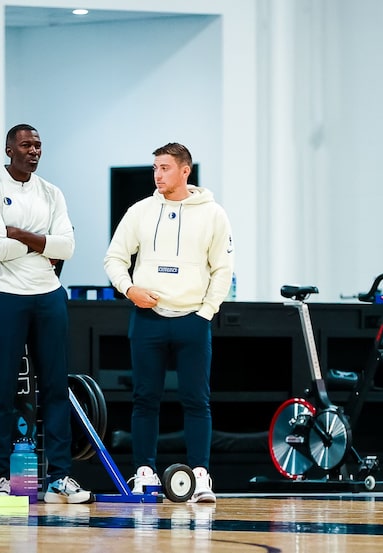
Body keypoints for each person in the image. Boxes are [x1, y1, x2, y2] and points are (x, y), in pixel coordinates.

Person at [103, 142, 233, 503]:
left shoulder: (213, 214)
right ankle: (144, 471)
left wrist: (206, 311)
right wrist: (129, 289)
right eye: (155, 168)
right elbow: (114, 258)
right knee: (145, 398)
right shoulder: (140, 211)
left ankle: (201, 475)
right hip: (148, 318)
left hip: (193, 318)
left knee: (196, 399)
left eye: (165, 168)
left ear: (184, 170)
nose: (158, 175)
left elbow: (223, 269)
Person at [0, 124, 92, 504]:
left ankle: (60, 476)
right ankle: (1, 478)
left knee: (56, 387)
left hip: (48, 294)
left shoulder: (51, 192)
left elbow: (68, 248)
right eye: (26, 144)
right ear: (9, 149)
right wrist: (44, 245)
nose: (34, 150)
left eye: (38, 145)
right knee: (2, 389)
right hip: (4, 294)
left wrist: (22, 236)